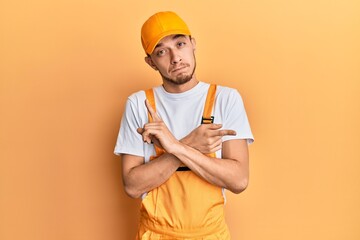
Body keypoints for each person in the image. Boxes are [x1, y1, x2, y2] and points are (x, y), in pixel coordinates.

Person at [114, 11, 254, 240]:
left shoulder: (225, 99)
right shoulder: (139, 104)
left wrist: (174, 146)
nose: (175, 58)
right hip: (156, 234)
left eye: (180, 44)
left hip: (211, 234)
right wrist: (190, 144)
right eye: (161, 52)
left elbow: (239, 180)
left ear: (193, 44)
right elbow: (132, 186)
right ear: (151, 62)